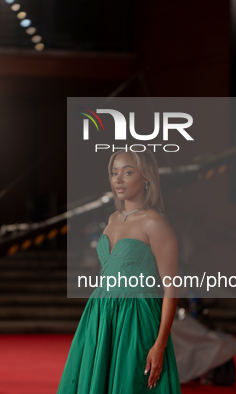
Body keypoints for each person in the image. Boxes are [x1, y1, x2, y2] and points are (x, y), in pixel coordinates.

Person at [57, 150, 182, 393]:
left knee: (128, 384)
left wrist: (160, 343)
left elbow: (171, 287)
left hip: (136, 316)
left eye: (127, 172)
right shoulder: (113, 219)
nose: (118, 179)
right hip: (101, 313)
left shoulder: (155, 223)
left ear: (145, 177)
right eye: (114, 173)